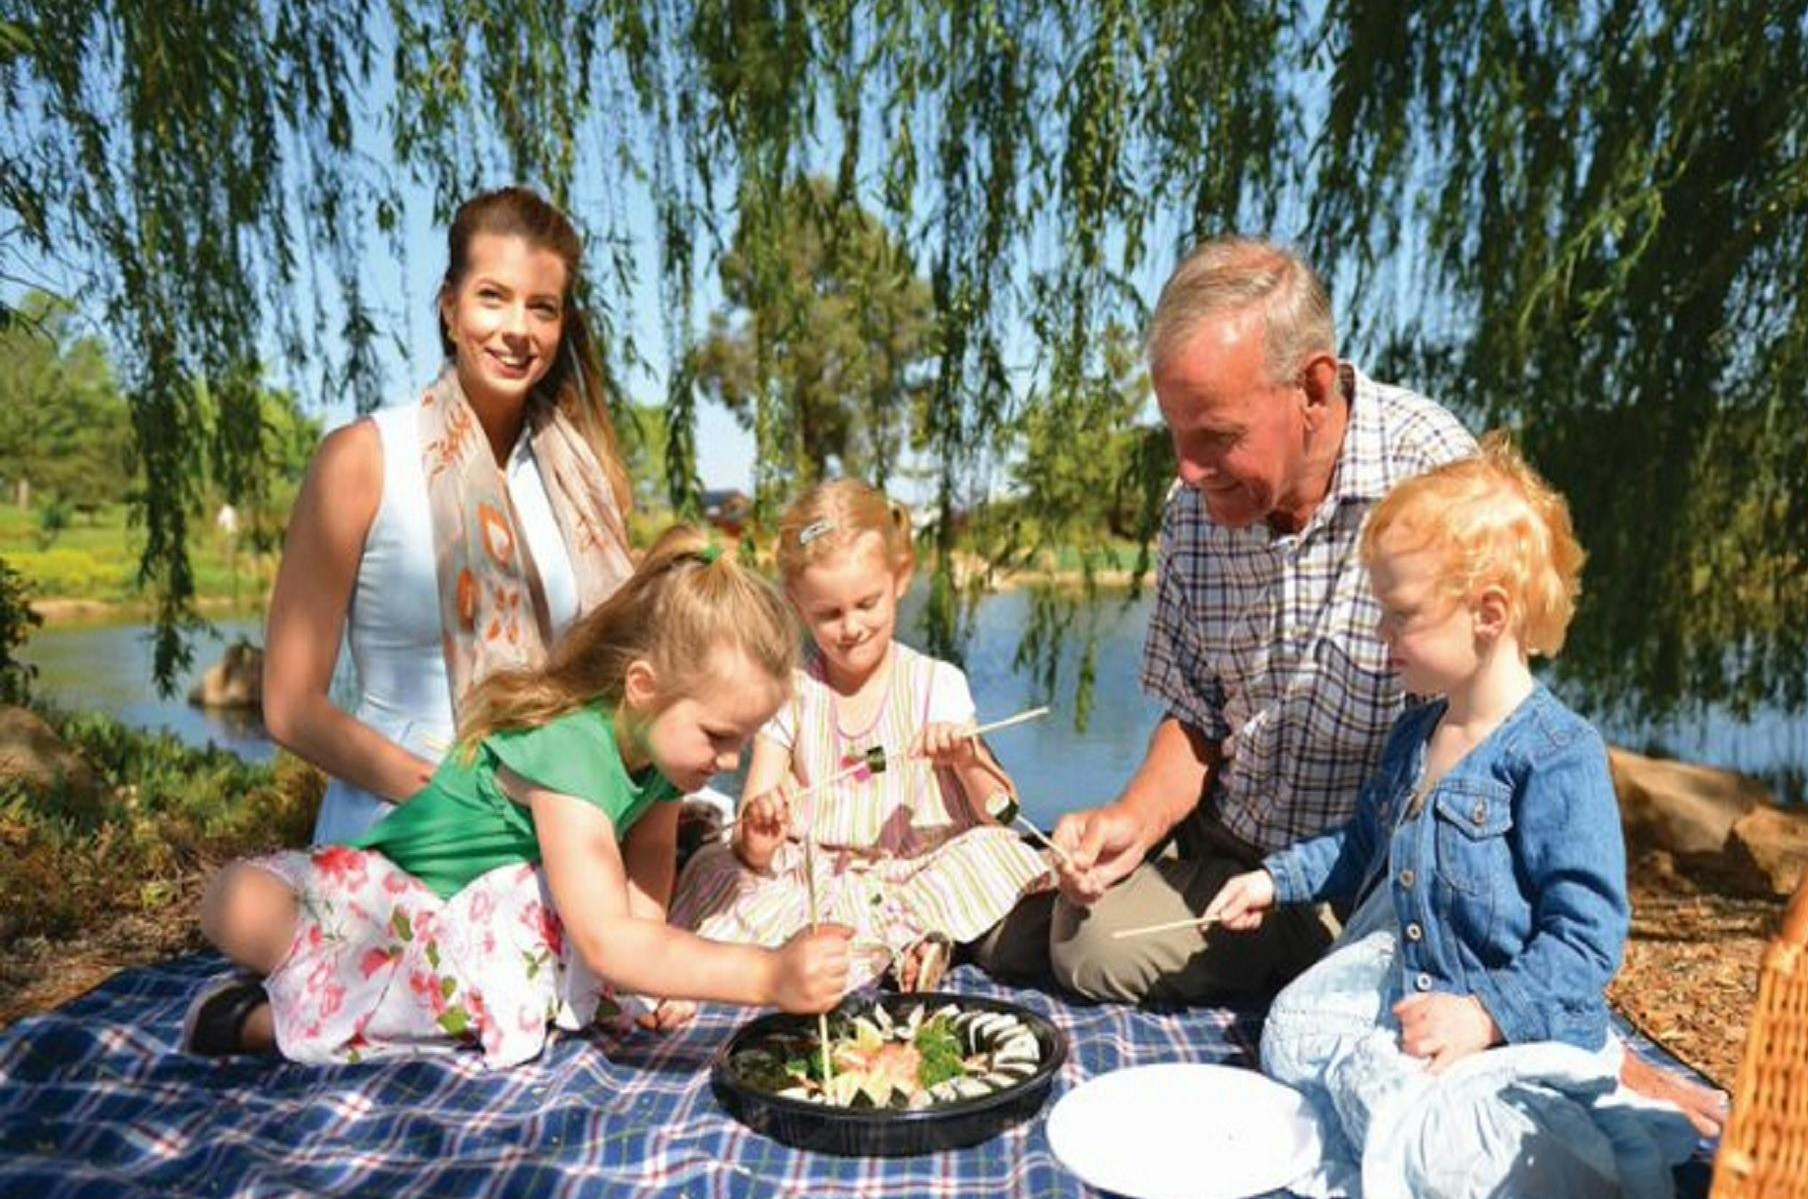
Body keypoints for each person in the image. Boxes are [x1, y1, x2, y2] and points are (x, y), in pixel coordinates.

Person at [1203, 439, 1696, 1199]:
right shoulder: (1414, 737)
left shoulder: (1556, 755)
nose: (1382, 641)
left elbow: (1587, 942)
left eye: (1399, 618)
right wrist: (1274, 880)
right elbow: (1360, 856)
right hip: (1413, 1001)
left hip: (1511, 1028)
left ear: (1489, 614)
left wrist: (1485, 1015)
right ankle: (1465, 1171)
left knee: (1464, 1112)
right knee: (1297, 1033)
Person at [998, 236, 1476, 1002]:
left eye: (1216, 437)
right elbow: (1193, 719)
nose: (1187, 470)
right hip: (1226, 859)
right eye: (1175, 436)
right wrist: (1135, 819)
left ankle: (1336, 970)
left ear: (1313, 391)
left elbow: (1482, 741)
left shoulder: (1436, 478)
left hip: (1378, 874)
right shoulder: (1192, 510)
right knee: (1085, 944)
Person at [185, 529, 853, 1066]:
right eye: (719, 736)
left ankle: (316, 998)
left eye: (744, 741)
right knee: (237, 902)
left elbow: (645, 871)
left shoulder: (665, 754)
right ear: (643, 686)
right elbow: (608, 939)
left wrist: (653, 975)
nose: (732, 762)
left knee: (517, 969)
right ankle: (264, 1024)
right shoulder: (573, 752)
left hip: (490, 913)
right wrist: (767, 977)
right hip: (393, 895)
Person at [264, 187, 637, 847]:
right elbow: (292, 708)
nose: (517, 329)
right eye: (493, 296)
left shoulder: (583, 480)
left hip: (560, 816)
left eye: (541, 308)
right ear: (449, 307)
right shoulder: (363, 458)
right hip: (408, 818)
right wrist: (462, 802)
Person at [671, 479, 1053, 994]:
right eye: (828, 613)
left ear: (900, 578)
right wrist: (759, 834)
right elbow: (751, 829)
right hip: (817, 875)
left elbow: (1003, 812)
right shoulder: (787, 690)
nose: (850, 627)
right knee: (713, 869)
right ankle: (885, 952)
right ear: (796, 604)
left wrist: (965, 759)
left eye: (866, 604)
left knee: (993, 850)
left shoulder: (936, 684)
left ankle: (909, 943)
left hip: (919, 869)